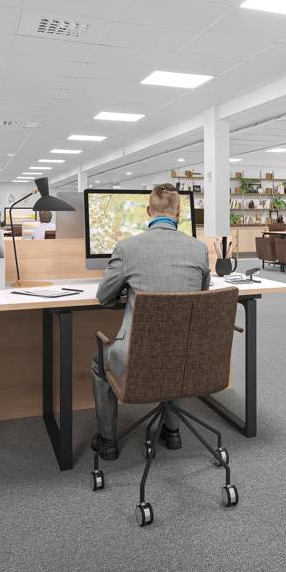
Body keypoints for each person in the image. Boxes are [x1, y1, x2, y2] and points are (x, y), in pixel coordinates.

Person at [90, 184, 211, 460]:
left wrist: (128, 294)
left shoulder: (127, 248)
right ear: (178, 212)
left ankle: (108, 441)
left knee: (99, 364)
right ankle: (172, 431)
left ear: (148, 211)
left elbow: (104, 297)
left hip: (138, 357)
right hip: (186, 355)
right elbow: (202, 298)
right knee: (174, 347)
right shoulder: (199, 249)